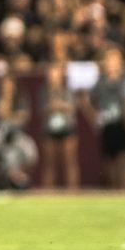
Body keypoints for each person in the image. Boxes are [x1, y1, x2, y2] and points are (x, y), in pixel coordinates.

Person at [82, 50, 125, 189]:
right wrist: (95, 119)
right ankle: (115, 191)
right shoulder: (100, 82)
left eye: (115, 60)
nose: (112, 63)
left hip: (123, 124)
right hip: (108, 124)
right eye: (109, 60)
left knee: (124, 158)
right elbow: (88, 101)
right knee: (110, 161)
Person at [38, 62, 80, 190]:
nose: (54, 76)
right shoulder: (44, 91)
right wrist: (55, 107)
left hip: (67, 128)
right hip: (49, 129)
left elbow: (72, 108)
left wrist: (58, 106)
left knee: (70, 162)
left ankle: (73, 191)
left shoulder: (68, 90)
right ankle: (48, 192)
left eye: (56, 73)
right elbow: (42, 110)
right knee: (49, 163)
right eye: (51, 73)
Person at [0, 106, 39, 191]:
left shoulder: (25, 140)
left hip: (19, 176)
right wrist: (6, 172)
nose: (11, 124)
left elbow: (31, 162)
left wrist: (19, 173)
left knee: (23, 183)